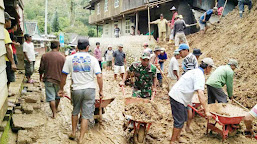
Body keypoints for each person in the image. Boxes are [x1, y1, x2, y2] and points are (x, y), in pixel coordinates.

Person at [58, 38, 104, 144]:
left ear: (77, 47)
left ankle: (73, 132)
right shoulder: (93, 59)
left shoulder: (69, 58)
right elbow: (99, 76)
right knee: (86, 115)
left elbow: (64, 75)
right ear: (88, 48)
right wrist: (101, 90)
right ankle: (81, 138)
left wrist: (61, 89)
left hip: (76, 89)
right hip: (89, 89)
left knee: (75, 110)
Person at [169, 58, 214, 144]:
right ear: (208, 67)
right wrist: (207, 111)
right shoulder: (199, 75)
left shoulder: (196, 71)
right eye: (211, 68)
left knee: (184, 118)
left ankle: (177, 137)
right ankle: (172, 141)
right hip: (178, 97)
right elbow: (200, 93)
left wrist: (202, 107)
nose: (210, 70)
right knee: (179, 121)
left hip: (181, 97)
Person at [39, 41, 65, 119]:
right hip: (59, 80)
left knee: (51, 97)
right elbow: (65, 71)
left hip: (48, 79)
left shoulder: (45, 56)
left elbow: (41, 68)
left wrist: (40, 76)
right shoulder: (62, 57)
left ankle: (54, 113)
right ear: (58, 47)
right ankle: (56, 109)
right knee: (57, 96)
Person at [4, 12, 17, 95]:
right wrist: (12, 63)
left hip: (6, 59)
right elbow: (8, 48)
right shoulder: (4, 32)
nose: (10, 22)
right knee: (8, 78)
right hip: (7, 59)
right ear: (5, 21)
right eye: (9, 20)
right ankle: (6, 93)